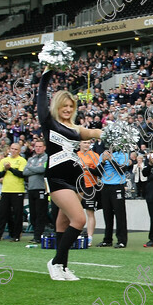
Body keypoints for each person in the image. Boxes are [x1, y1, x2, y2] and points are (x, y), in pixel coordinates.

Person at [37, 67, 104, 280]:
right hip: (57, 178)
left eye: (71, 106)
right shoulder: (49, 123)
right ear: (57, 106)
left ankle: (63, 267)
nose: (67, 109)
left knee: (63, 222)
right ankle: (55, 261)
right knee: (79, 220)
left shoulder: (75, 129)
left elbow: (94, 133)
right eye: (64, 105)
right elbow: (39, 102)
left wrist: (115, 132)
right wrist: (45, 77)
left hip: (75, 180)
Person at [0, 142, 27, 242]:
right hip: (5, 190)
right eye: (12, 148)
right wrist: (6, 170)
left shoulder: (22, 160)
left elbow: (21, 174)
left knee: (17, 214)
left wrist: (10, 168)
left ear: (19, 151)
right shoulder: (4, 160)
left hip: (17, 190)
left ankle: (16, 236)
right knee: (1, 214)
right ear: (9, 149)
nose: (13, 151)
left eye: (16, 149)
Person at [96, 147, 130, 248]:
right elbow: (98, 172)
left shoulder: (123, 155)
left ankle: (122, 240)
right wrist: (103, 161)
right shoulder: (103, 154)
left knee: (120, 214)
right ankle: (107, 239)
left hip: (117, 186)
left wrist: (111, 160)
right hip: (105, 186)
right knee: (107, 213)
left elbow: (121, 170)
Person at [24, 140, 49, 244]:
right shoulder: (32, 158)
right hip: (31, 189)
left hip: (41, 189)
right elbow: (24, 172)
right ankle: (36, 234)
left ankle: (38, 236)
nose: (38, 148)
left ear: (44, 147)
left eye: (40, 146)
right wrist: (34, 168)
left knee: (40, 213)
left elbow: (42, 170)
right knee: (33, 214)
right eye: (36, 146)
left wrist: (30, 167)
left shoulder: (47, 157)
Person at [77, 140, 101, 246]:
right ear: (80, 144)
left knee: (90, 212)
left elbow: (99, 170)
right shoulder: (76, 155)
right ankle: (76, 234)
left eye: (88, 143)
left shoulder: (94, 155)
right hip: (77, 186)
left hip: (90, 186)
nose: (86, 145)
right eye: (84, 142)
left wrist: (88, 169)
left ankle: (89, 237)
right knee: (76, 212)